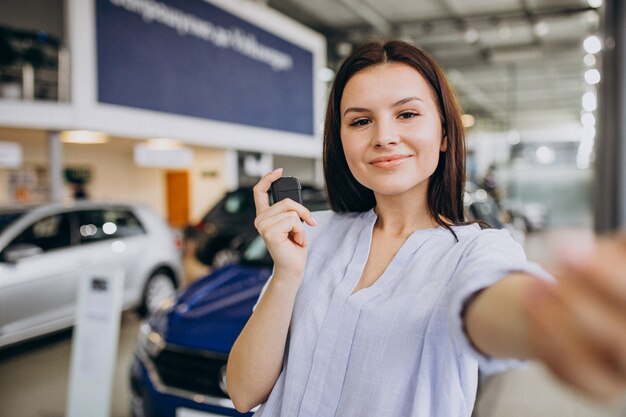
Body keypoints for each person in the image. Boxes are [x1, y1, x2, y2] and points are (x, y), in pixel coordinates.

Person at [226, 40, 626, 416]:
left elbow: (491, 302)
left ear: (446, 135)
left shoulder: (477, 251)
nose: (384, 137)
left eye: (407, 114)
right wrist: (287, 273)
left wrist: (549, 317)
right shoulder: (314, 233)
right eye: (361, 121)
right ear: (341, 141)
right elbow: (243, 393)